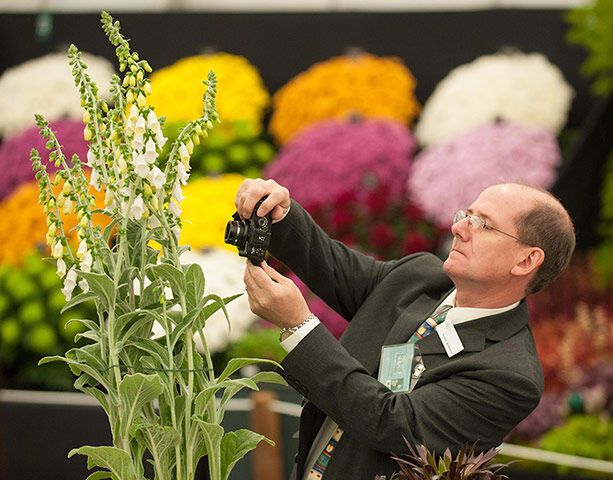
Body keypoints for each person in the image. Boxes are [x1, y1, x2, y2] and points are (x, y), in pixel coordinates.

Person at [237, 178, 575, 480]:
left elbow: (393, 423)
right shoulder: (423, 276)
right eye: (467, 215)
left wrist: (299, 326)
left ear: (527, 261)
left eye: (484, 224)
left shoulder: (510, 373)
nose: (459, 228)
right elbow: (337, 270)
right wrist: (280, 215)